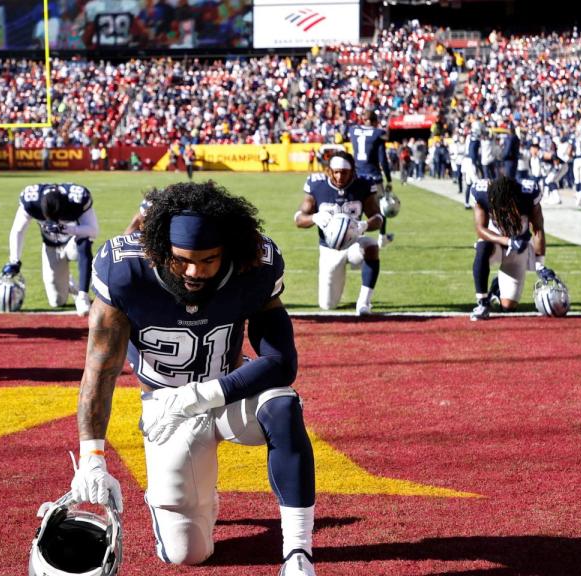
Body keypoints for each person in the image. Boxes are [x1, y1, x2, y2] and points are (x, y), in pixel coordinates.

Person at [72, 181, 316, 576]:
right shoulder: (125, 272)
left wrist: (200, 395)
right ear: (156, 249)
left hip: (226, 391)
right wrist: (92, 458)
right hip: (167, 410)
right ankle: (189, 499)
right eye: (182, 259)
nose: (194, 271)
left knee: (282, 403)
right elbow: (99, 368)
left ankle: (298, 554)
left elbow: (281, 361)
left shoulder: (254, 263)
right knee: (187, 554)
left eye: (209, 260)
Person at [294, 150, 384, 316]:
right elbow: (299, 219)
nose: (340, 176)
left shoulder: (364, 184)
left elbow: (378, 217)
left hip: (354, 242)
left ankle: (364, 303)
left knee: (371, 246)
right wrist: (314, 217)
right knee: (328, 305)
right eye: (336, 172)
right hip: (329, 249)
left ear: (353, 172)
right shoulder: (317, 184)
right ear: (329, 171)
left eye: (344, 172)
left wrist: (363, 226)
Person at [468, 175, 556, 321]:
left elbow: (538, 229)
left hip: (518, 248)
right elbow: (480, 229)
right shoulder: (482, 193)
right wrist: (507, 241)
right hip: (495, 243)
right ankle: (482, 303)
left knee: (508, 306)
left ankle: (497, 287)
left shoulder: (528, 194)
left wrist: (539, 264)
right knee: (482, 247)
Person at [3, 183, 99, 316]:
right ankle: (68, 282)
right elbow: (18, 230)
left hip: (73, 241)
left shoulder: (77, 199)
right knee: (57, 301)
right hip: (51, 246)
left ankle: (82, 295)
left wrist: (68, 229)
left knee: (85, 242)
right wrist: (14, 260)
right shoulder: (31, 200)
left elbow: (93, 231)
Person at [346, 109, 394, 247]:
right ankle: (382, 237)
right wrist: (389, 179)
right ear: (375, 121)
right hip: (373, 176)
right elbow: (382, 159)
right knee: (381, 208)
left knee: (357, 208)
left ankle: (356, 237)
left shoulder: (353, 130)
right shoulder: (377, 134)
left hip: (357, 176)